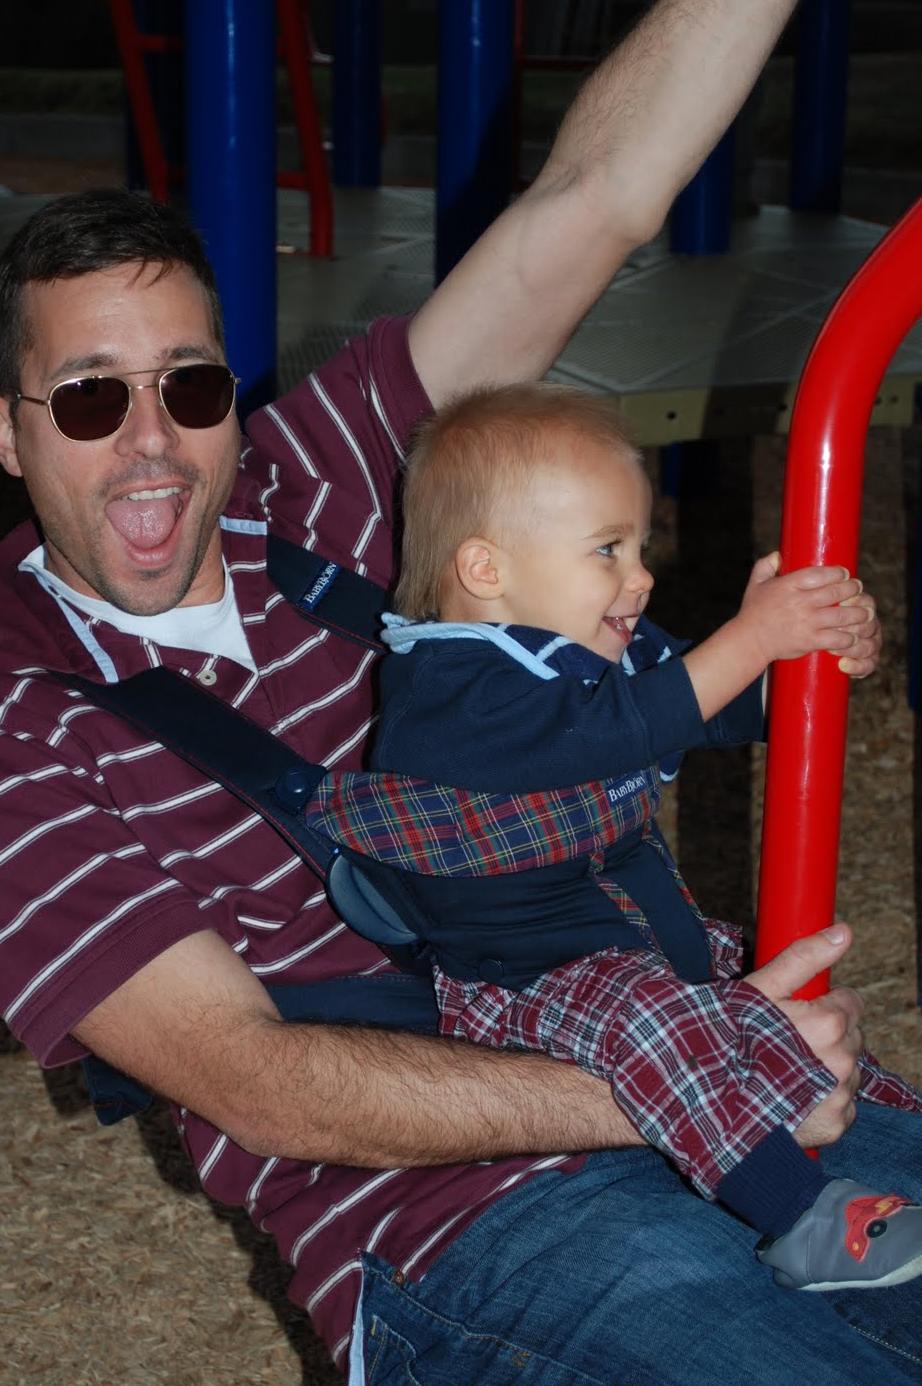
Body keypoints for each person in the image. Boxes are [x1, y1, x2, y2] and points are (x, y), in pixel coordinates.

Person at [0, 0, 922, 1386]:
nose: (150, 442)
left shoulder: (339, 486)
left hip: (708, 1067)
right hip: (475, 1236)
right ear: (9, 434)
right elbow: (257, 1081)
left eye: (189, 385)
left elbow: (593, 201)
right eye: (88, 398)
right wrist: (689, 1088)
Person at [304, 382, 922, 1291]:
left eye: (638, 546)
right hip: (528, 981)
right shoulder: (450, 686)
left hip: (631, 933)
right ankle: (799, 1215)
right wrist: (750, 638)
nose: (640, 577)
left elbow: (706, 708)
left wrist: (800, 663)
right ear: (485, 569)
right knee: (662, 1029)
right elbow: (615, 728)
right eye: (608, 550)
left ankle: (896, 1122)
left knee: (775, 989)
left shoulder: (587, 643)